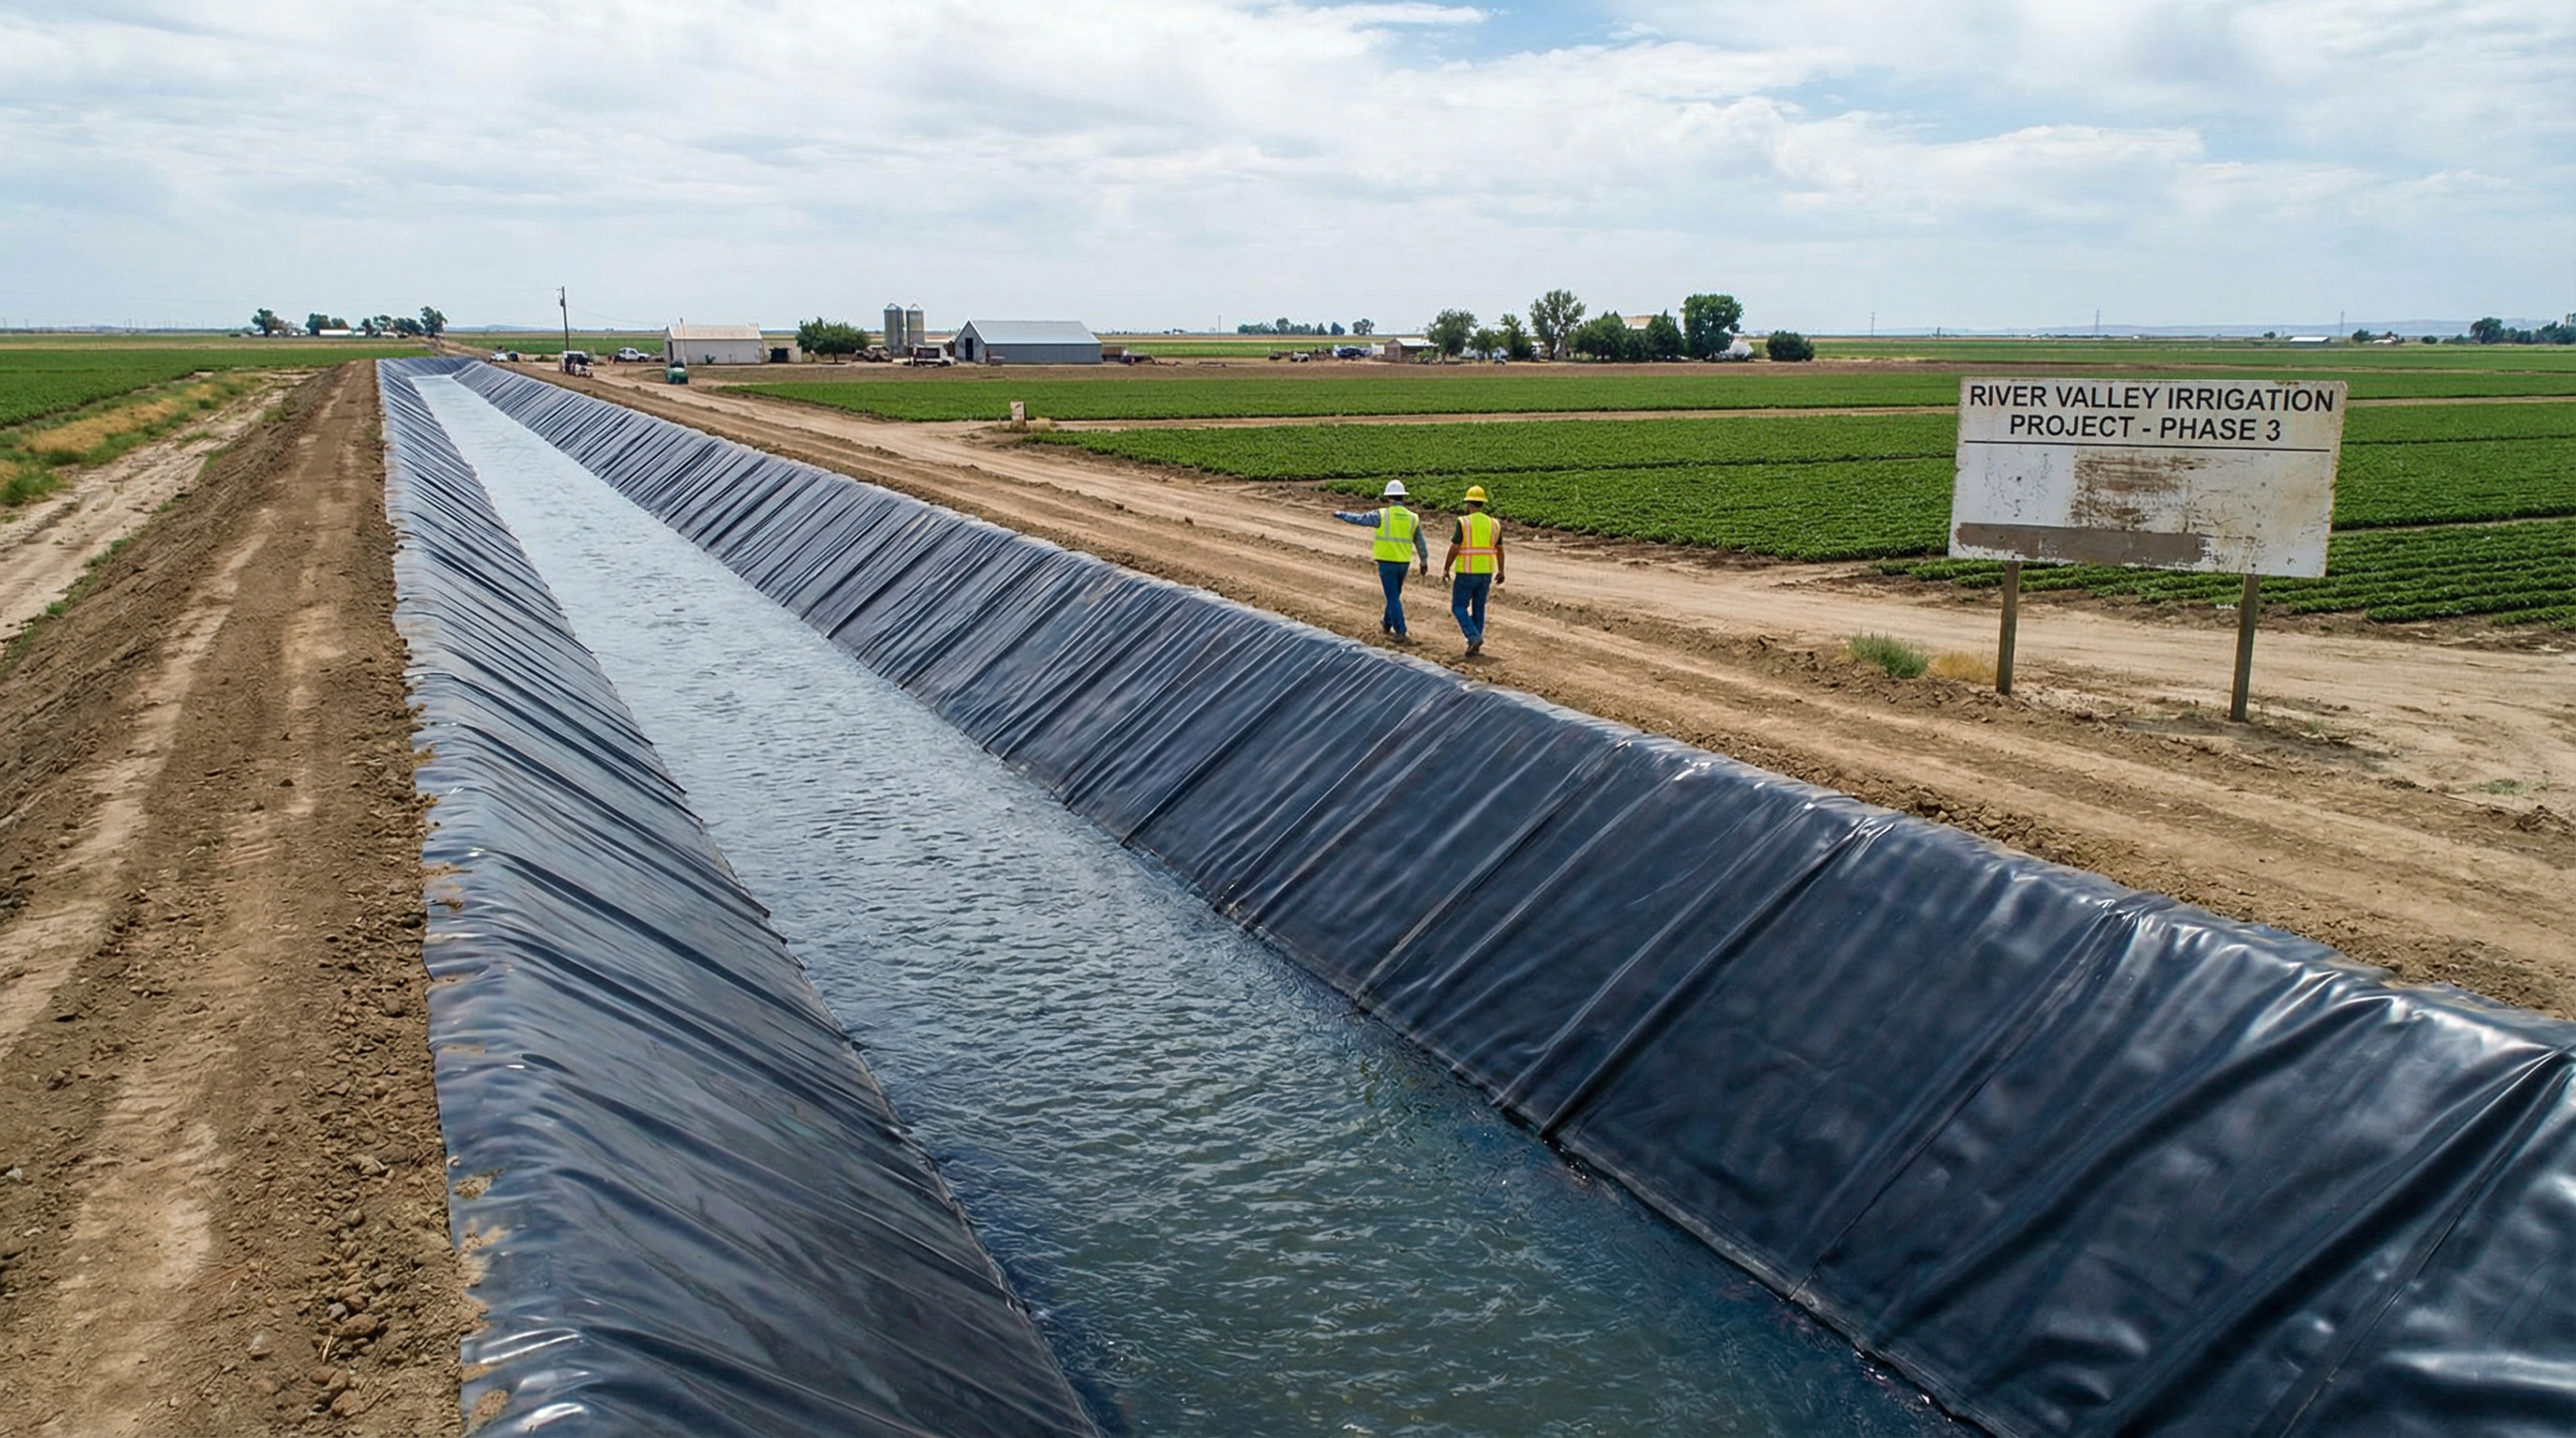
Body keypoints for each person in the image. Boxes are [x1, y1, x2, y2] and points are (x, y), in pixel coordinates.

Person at [1333, 480, 1430, 640]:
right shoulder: (1413, 518)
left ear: (1389, 498)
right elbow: (1420, 542)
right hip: (1403, 562)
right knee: (1394, 595)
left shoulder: (1382, 515)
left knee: (1392, 597)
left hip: (1386, 561)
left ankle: (1400, 630)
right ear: (1403, 498)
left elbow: (1360, 519)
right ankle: (1387, 621)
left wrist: (1341, 514)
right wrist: (1424, 561)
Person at [1442, 485, 1504, 655]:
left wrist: (1446, 568)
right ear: (1483, 503)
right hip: (1486, 572)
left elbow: (1455, 547)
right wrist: (1501, 570)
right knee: (1479, 608)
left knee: (1458, 607)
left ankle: (1473, 636)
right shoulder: (1494, 524)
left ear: (1468, 503)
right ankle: (1475, 641)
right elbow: (1500, 549)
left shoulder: (1464, 522)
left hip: (1467, 572)